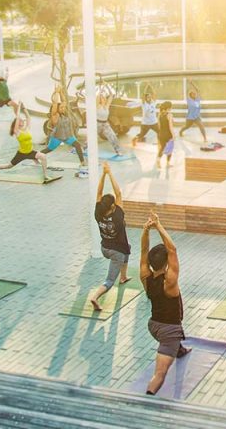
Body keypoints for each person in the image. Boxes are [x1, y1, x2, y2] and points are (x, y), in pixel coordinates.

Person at [140, 211, 191, 394]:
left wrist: (146, 231)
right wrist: (158, 224)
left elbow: (144, 251)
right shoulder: (170, 281)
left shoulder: (145, 277)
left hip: (153, 325)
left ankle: (179, 349)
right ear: (166, 263)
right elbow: (173, 250)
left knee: (172, 339)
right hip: (168, 331)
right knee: (160, 374)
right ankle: (147, 399)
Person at [89, 162, 132, 311]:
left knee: (128, 248)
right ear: (113, 206)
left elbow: (98, 193)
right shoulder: (118, 216)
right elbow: (118, 193)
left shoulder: (98, 213)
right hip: (116, 253)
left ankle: (124, 276)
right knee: (109, 281)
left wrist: (103, 174)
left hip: (104, 248)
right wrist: (110, 173)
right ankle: (95, 297)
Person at [0, 103, 48, 181]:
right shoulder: (17, 131)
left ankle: (45, 175)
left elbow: (28, 118)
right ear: (17, 123)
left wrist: (24, 108)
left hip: (30, 152)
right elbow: (17, 117)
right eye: (20, 120)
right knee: (9, 166)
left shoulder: (27, 129)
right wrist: (19, 107)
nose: (22, 121)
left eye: (22, 120)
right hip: (21, 153)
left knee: (43, 156)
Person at [44, 103, 87, 176]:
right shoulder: (55, 115)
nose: (63, 109)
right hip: (57, 137)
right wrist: (57, 93)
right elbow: (55, 106)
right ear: (57, 109)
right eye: (61, 108)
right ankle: (35, 156)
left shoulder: (65, 114)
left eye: (63, 107)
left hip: (67, 136)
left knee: (77, 145)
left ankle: (82, 162)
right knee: (48, 149)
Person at [97, 89, 124, 155]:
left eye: (103, 98)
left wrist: (106, 86)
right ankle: (83, 148)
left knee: (113, 136)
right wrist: (100, 92)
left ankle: (118, 150)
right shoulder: (97, 106)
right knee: (91, 137)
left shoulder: (107, 106)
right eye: (101, 98)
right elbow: (97, 99)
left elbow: (111, 95)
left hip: (105, 124)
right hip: (97, 124)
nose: (102, 99)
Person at [156, 101, 175, 169]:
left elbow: (159, 125)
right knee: (170, 149)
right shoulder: (170, 115)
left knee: (162, 148)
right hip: (168, 135)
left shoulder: (160, 114)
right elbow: (170, 126)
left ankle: (158, 159)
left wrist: (159, 134)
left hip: (161, 134)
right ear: (169, 108)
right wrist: (173, 135)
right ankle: (168, 163)